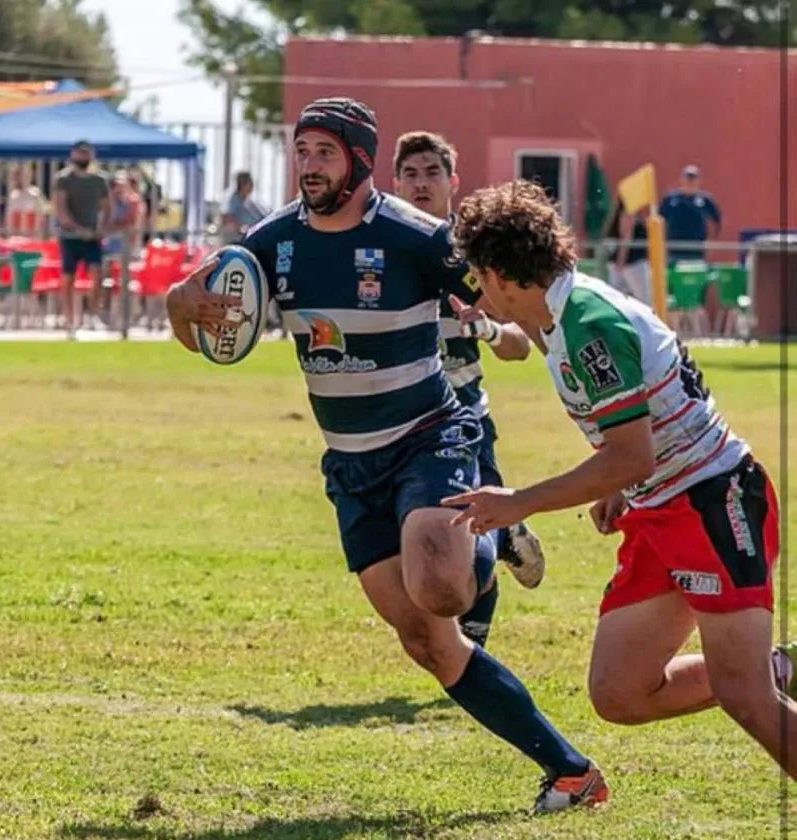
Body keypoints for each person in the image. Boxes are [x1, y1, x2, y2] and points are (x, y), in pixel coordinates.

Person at [165, 98, 607, 813]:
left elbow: (518, 305)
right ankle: (570, 771)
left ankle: (486, 530)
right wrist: (181, 305)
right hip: (350, 465)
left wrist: (505, 326)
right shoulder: (269, 242)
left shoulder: (418, 238)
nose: (309, 166)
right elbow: (202, 331)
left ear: (360, 161)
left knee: (442, 590)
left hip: (429, 438)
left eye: (325, 153)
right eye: (302, 152)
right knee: (428, 641)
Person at [444, 179, 796, 778]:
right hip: (660, 507)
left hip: (714, 501)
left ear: (501, 273)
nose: (478, 289)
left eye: (478, 274)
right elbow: (636, 431)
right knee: (619, 692)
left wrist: (520, 502)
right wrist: (615, 486)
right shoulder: (555, 317)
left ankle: (755, 673)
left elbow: (634, 456)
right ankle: (773, 666)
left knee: (745, 699)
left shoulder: (585, 322)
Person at [391, 130, 546, 649]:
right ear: (394, 182)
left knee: (469, 528)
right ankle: (508, 535)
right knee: (426, 535)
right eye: (410, 174)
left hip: (464, 416)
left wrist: (487, 329)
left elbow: (522, 343)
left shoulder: (474, 253)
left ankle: (474, 647)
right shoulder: (387, 248)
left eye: (432, 173)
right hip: (401, 420)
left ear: (453, 182)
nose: (420, 184)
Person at [53, 141, 110, 333]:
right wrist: (78, 229)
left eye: (86, 153)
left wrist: (101, 228)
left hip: (92, 237)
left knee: (97, 273)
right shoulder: (64, 179)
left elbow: (107, 207)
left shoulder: (99, 180)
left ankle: (91, 315)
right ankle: (70, 320)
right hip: (69, 237)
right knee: (68, 277)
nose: (83, 157)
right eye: (80, 153)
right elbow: (61, 210)